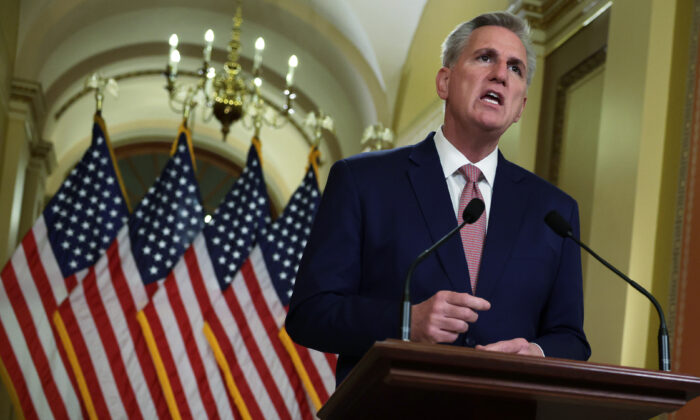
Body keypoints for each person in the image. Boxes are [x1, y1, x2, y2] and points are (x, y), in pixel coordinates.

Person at [285, 11, 591, 386]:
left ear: (520, 108)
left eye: (516, 68)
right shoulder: (362, 181)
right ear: (444, 82)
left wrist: (537, 354)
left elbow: (571, 339)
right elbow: (310, 313)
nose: (500, 74)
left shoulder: (554, 211)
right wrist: (405, 323)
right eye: (485, 58)